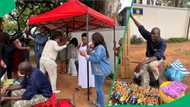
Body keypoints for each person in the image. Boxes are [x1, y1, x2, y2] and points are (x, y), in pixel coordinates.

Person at [131, 15, 167, 87]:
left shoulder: (163, 43)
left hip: (158, 58)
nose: (152, 37)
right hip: (149, 57)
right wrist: (131, 17)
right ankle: (145, 84)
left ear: (159, 35)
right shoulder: (150, 36)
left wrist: (143, 62)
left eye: (154, 35)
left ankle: (156, 81)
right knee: (144, 67)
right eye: (151, 34)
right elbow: (140, 27)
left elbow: (157, 56)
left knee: (151, 65)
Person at [80, 32, 112, 107]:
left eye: (93, 39)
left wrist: (86, 56)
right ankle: (98, 103)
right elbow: (95, 55)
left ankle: (101, 104)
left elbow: (96, 59)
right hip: (99, 71)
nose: (92, 41)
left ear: (96, 40)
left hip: (100, 71)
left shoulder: (100, 47)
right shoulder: (99, 47)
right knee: (98, 88)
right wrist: (88, 52)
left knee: (99, 89)